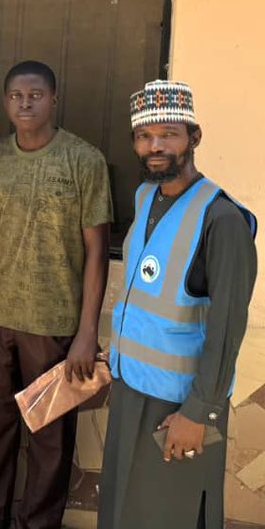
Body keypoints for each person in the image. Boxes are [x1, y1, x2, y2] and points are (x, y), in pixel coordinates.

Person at [98, 80, 257, 529]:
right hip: (132, 389)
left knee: (169, 514)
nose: (156, 146)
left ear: (194, 137)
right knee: (121, 510)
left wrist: (198, 413)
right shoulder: (146, 197)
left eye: (168, 134)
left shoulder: (222, 220)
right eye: (145, 136)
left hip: (178, 407)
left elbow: (227, 329)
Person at [0, 61, 112, 529]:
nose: (25, 103)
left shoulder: (83, 159)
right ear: (6, 102)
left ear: (53, 99)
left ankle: (39, 523)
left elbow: (97, 252)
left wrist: (86, 334)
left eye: (35, 95)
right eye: (16, 95)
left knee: (50, 436)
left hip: (55, 324)